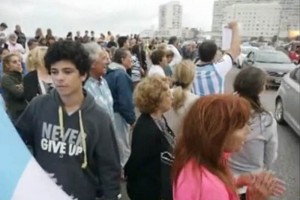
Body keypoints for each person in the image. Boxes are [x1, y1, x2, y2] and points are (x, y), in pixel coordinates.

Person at [15, 41, 121, 200]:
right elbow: (16, 144)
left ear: (83, 74)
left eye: (67, 71)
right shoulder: (38, 106)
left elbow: (109, 171)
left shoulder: (99, 118)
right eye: (54, 72)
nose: (59, 78)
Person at [172, 94, 285, 200]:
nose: (248, 130)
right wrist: (253, 198)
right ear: (219, 133)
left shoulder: (194, 159)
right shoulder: (212, 188)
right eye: (241, 126)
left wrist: (234, 183)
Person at [228, 67, 278, 199]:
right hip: (252, 184)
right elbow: (270, 157)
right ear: (261, 89)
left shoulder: (225, 111)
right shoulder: (266, 121)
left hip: (225, 179)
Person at [125, 75, 175, 200]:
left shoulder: (158, 119)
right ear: (156, 100)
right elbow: (135, 165)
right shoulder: (146, 130)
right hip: (148, 191)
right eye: (168, 94)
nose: (172, 97)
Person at [105, 48, 136, 168]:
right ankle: (123, 170)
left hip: (111, 112)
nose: (132, 61)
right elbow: (125, 101)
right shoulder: (121, 75)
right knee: (123, 145)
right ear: (122, 59)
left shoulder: (109, 73)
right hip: (119, 114)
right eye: (130, 58)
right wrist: (131, 119)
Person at [192, 21, 240, 96]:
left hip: (197, 106)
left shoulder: (191, 69)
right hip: (215, 106)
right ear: (214, 55)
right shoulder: (218, 69)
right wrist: (235, 27)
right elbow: (235, 50)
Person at [164, 60, 198, 137]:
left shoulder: (165, 95)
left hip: (167, 141)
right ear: (193, 77)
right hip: (184, 144)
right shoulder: (196, 101)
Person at [83, 42, 114, 121]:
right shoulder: (84, 88)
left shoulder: (103, 81)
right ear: (92, 63)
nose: (108, 62)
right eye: (103, 58)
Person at [1, 53, 27, 124]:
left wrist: (22, 86)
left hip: (27, 111)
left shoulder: (22, 76)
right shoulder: (5, 78)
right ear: (7, 65)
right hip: (17, 115)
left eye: (19, 61)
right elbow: (20, 94)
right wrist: (26, 85)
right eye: (14, 62)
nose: (19, 63)